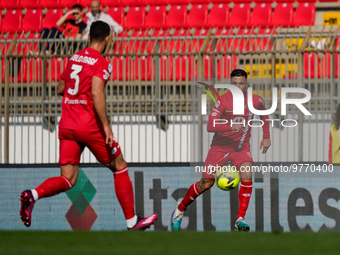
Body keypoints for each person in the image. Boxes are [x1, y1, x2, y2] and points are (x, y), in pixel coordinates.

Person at [20, 21, 157, 231]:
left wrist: (74, 95)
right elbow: (96, 91)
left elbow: (60, 88)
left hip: (67, 124)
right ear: (108, 38)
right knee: (119, 166)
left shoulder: (74, 57)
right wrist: (106, 125)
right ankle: (132, 222)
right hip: (89, 125)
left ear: (89, 36)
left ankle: (33, 194)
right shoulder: (102, 62)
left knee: (68, 179)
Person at [171, 69, 271, 232]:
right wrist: (231, 125)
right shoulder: (223, 101)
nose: (237, 87)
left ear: (247, 84)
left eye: (241, 83)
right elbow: (211, 125)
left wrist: (266, 136)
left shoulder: (255, 101)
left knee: (247, 174)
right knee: (206, 183)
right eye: (234, 84)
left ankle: (240, 219)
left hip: (241, 148)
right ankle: (180, 209)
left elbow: (264, 114)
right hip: (220, 148)